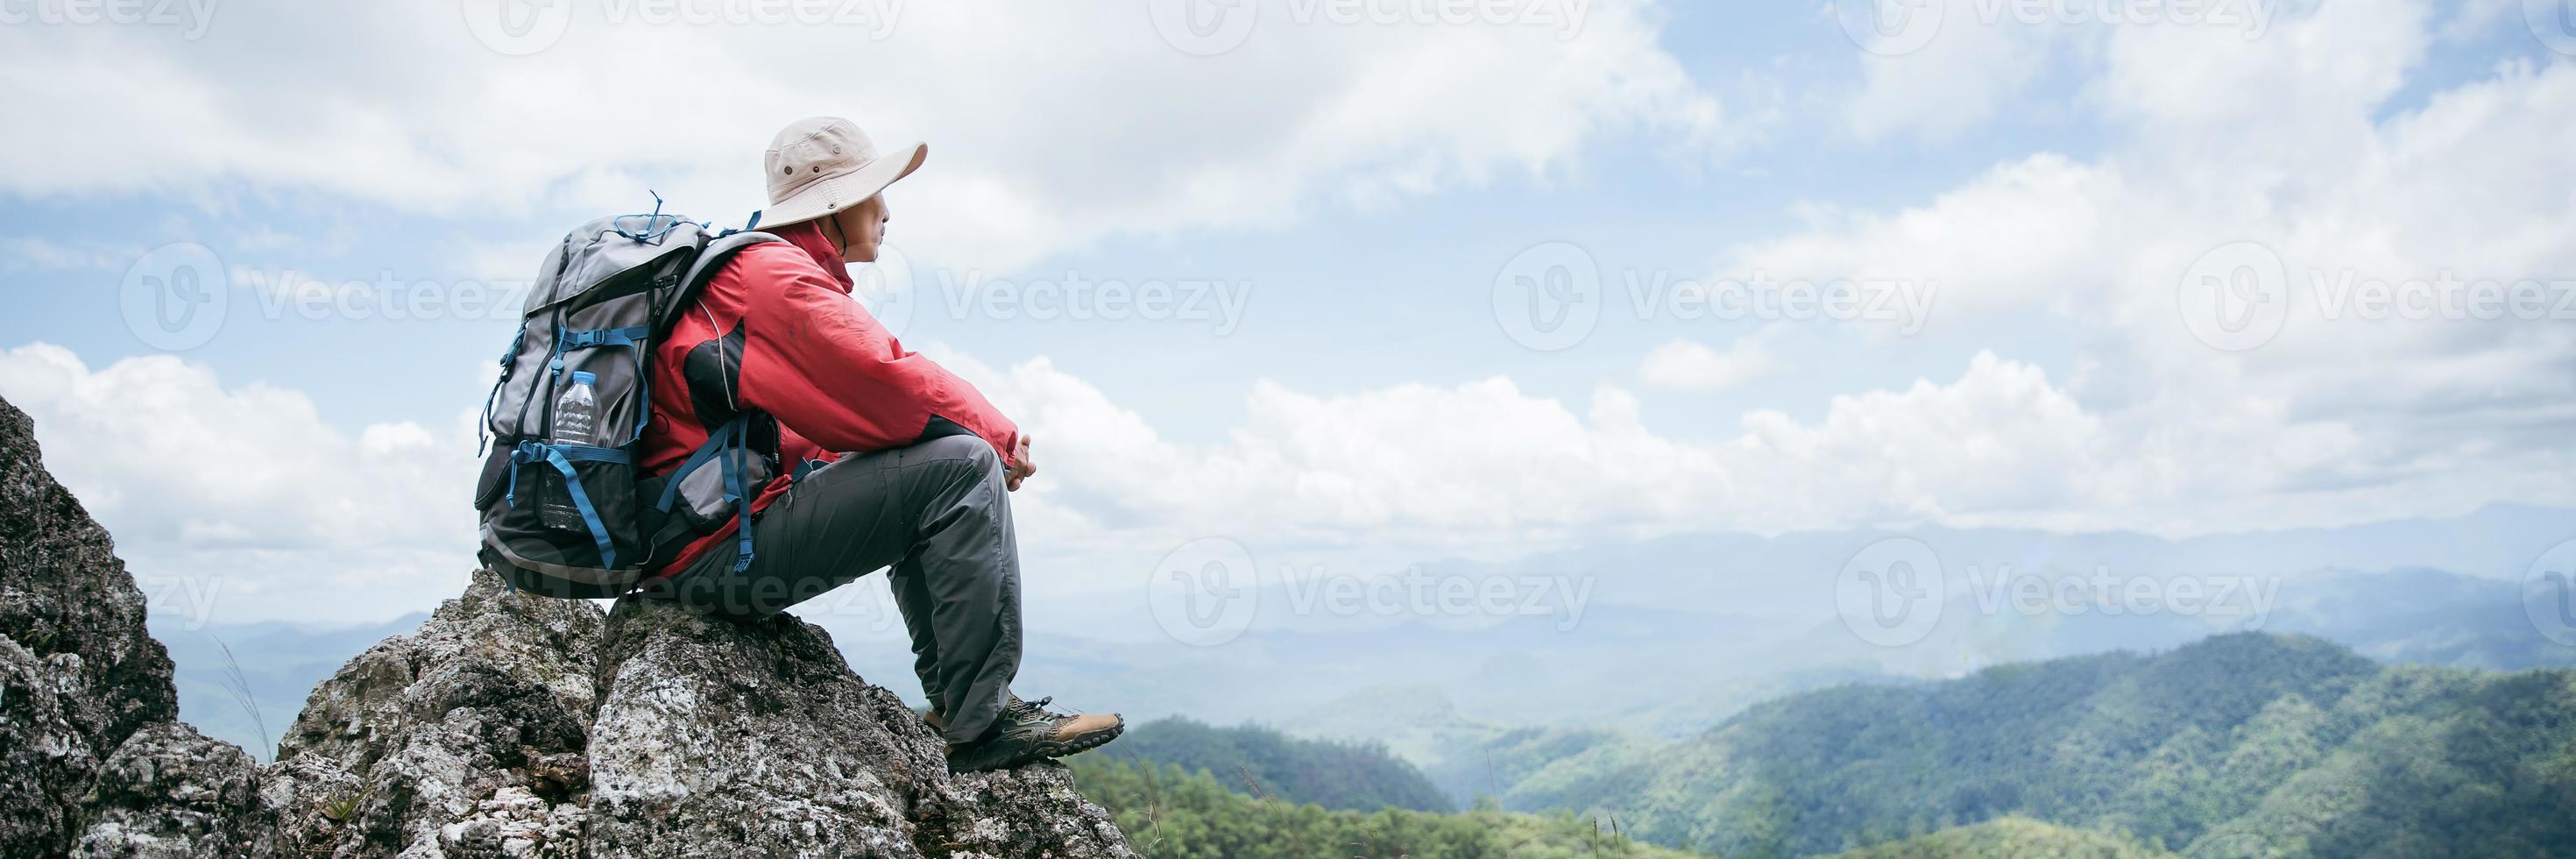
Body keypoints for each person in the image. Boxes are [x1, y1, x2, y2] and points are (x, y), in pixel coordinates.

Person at [633, 116, 1122, 772]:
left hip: (694, 549)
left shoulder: (745, 277)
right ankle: (983, 724)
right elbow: (884, 377)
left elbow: (819, 430)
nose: (887, 209)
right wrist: (997, 435)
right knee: (962, 467)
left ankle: (959, 705)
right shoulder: (772, 277)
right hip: (710, 563)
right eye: (876, 191)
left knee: (930, 470)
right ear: (835, 205)